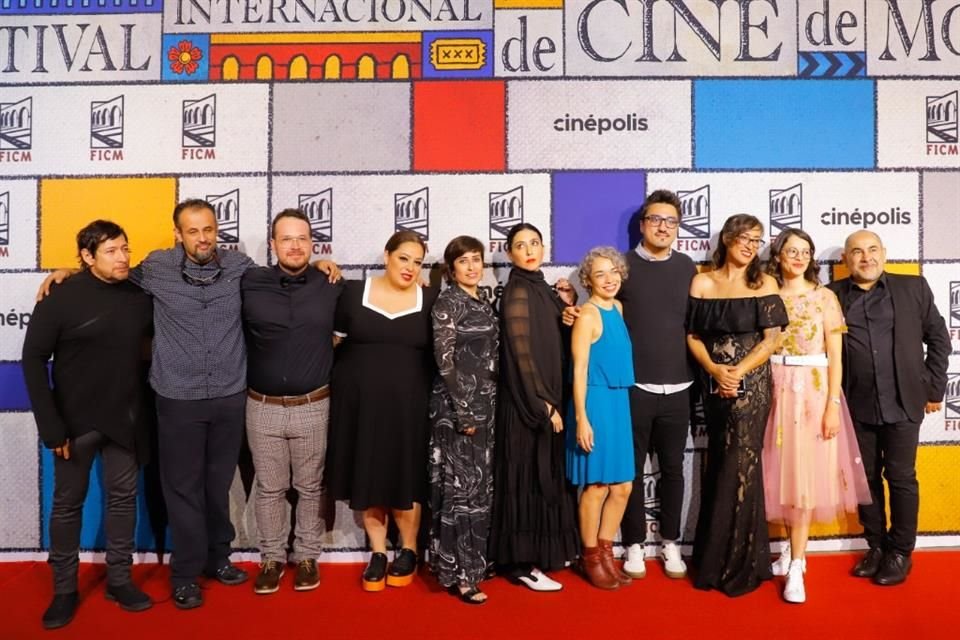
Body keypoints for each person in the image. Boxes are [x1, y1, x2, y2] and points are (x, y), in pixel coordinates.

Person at [37, 199, 340, 609]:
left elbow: (286, 275)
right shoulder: (155, 268)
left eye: (209, 230)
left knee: (218, 487)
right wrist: (70, 273)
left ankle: (219, 558)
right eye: (193, 231)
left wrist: (322, 266)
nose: (203, 238)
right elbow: (111, 277)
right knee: (182, 490)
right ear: (178, 234)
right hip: (177, 398)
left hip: (230, 396)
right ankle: (184, 573)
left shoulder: (240, 268)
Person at [22, 220, 154, 629]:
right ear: (86, 256)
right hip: (73, 423)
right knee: (66, 506)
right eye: (112, 251)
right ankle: (64, 589)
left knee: (122, 502)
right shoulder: (59, 298)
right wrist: (51, 427)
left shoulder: (139, 295)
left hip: (126, 419)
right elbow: (32, 362)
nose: (123, 258)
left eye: (126, 249)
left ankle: (119, 580)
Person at [828, 230, 950, 586]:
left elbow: (939, 340)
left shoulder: (913, 288)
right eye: (856, 252)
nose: (865, 258)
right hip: (855, 406)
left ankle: (901, 552)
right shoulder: (831, 296)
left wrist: (933, 389)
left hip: (904, 402)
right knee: (864, 482)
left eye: (872, 250)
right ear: (846, 260)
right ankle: (876, 547)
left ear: (884, 253)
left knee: (900, 478)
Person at [761, 228, 871, 604]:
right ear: (778, 255)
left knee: (804, 479)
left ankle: (798, 566)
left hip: (812, 389)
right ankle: (789, 550)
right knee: (779, 474)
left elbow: (836, 356)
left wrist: (832, 406)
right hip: (771, 387)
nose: (799, 257)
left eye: (805, 251)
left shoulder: (824, 297)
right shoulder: (765, 292)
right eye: (791, 250)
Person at [325, 231, 439, 592]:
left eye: (417, 261)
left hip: (411, 408)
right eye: (404, 258)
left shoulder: (430, 298)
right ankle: (377, 552)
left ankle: (407, 550)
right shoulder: (353, 293)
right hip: (360, 407)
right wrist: (318, 264)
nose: (410, 267)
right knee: (369, 477)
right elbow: (331, 341)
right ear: (387, 255)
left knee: (406, 478)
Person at [241, 209, 344, 594]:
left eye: (302, 238)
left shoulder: (329, 282)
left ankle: (306, 557)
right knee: (268, 488)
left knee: (310, 487)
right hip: (261, 405)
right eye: (286, 239)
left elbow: (350, 330)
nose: (295, 245)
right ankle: (271, 558)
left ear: (313, 243)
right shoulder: (250, 282)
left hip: (314, 405)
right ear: (273, 245)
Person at [686, 214, 788, 597]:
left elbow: (771, 340)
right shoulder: (702, 281)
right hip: (714, 387)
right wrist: (715, 370)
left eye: (756, 240)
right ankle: (713, 559)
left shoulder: (764, 283)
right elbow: (693, 336)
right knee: (720, 462)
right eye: (743, 238)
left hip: (752, 387)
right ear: (727, 239)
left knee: (742, 464)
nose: (750, 246)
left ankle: (741, 562)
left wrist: (737, 372)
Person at [489, 223, 580, 592]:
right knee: (523, 479)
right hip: (528, 405)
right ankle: (518, 564)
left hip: (548, 400)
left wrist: (568, 310)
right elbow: (521, 355)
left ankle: (540, 556)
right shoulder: (516, 293)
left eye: (535, 243)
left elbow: (553, 341)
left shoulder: (542, 288)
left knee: (542, 480)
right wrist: (543, 404)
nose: (529, 249)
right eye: (520, 245)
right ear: (509, 252)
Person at [428, 236, 499, 605]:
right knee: (461, 493)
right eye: (464, 261)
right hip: (459, 411)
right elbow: (444, 361)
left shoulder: (481, 301)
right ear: (451, 268)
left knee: (477, 491)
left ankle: (473, 564)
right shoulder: (448, 302)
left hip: (484, 406)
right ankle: (460, 575)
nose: (472, 266)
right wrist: (463, 410)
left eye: (477, 259)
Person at [566, 247, 635, 591]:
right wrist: (581, 418)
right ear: (587, 280)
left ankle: (606, 551)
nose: (609, 280)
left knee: (623, 486)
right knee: (596, 486)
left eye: (614, 272)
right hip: (594, 402)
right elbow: (578, 370)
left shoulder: (618, 308)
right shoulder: (588, 315)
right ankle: (590, 555)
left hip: (619, 400)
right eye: (600, 274)